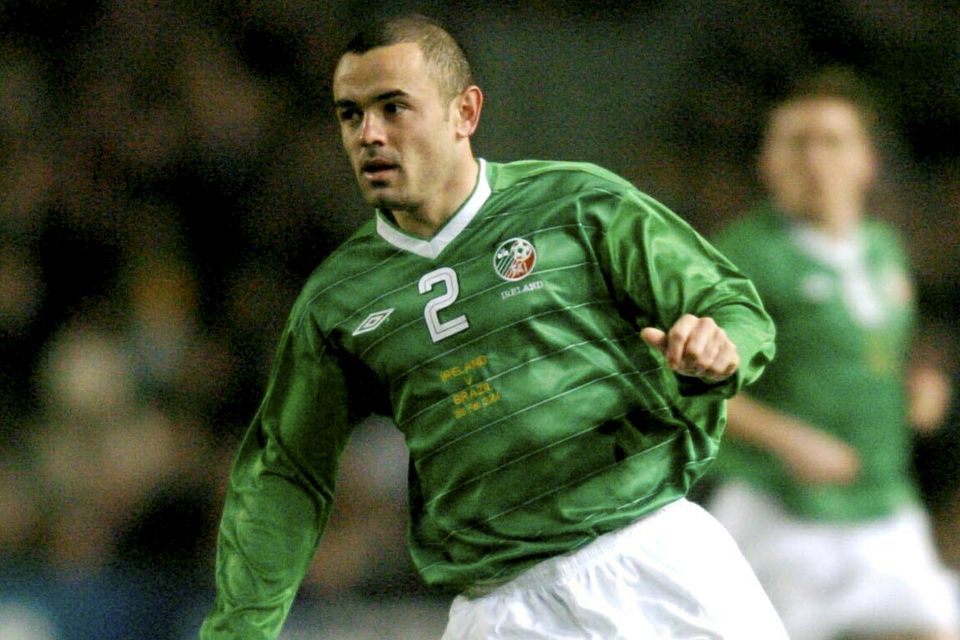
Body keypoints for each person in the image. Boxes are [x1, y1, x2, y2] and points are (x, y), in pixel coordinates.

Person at [199, 13, 785, 639]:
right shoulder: (336, 302)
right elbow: (286, 472)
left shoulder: (578, 204)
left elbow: (732, 307)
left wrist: (721, 350)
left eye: (394, 107)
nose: (369, 134)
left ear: (465, 112)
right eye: (350, 114)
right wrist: (238, 631)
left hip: (654, 556)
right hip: (503, 608)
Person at [706, 66, 960, 640]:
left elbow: (877, 349)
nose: (815, 160)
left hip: (881, 498)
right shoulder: (737, 259)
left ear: (866, 160)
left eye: (833, 141)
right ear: (767, 161)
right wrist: (788, 437)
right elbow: (688, 389)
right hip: (780, 511)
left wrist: (919, 385)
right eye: (797, 143)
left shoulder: (884, 247)